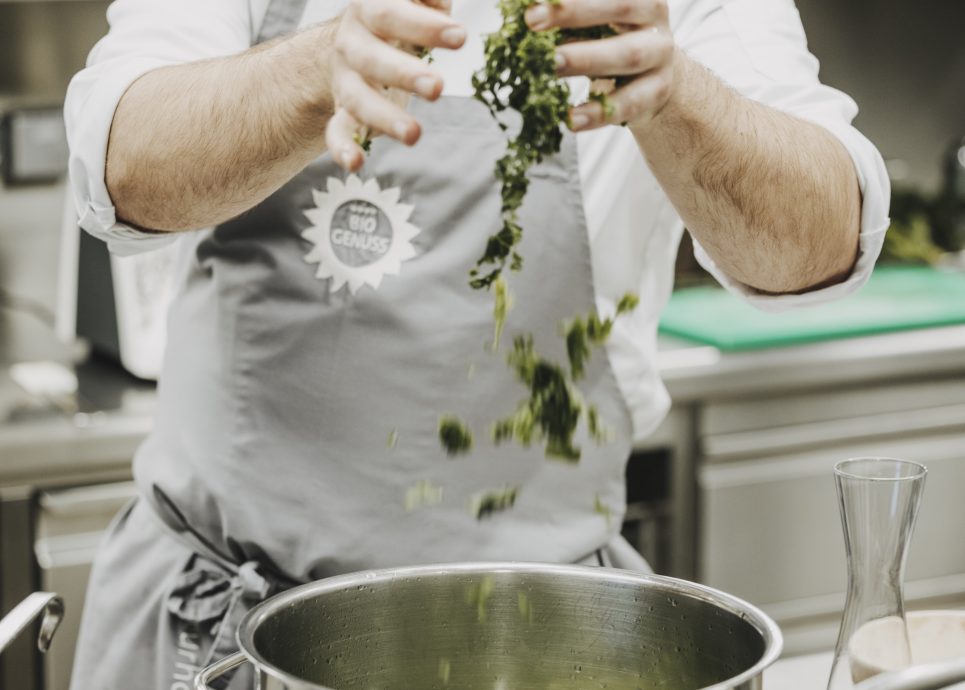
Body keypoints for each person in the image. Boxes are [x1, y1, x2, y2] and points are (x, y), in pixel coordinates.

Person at [64, 0, 889, 687]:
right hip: (232, 634)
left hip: (555, 635)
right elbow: (121, 165)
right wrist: (313, 70)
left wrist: (678, 99)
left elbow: (820, 242)